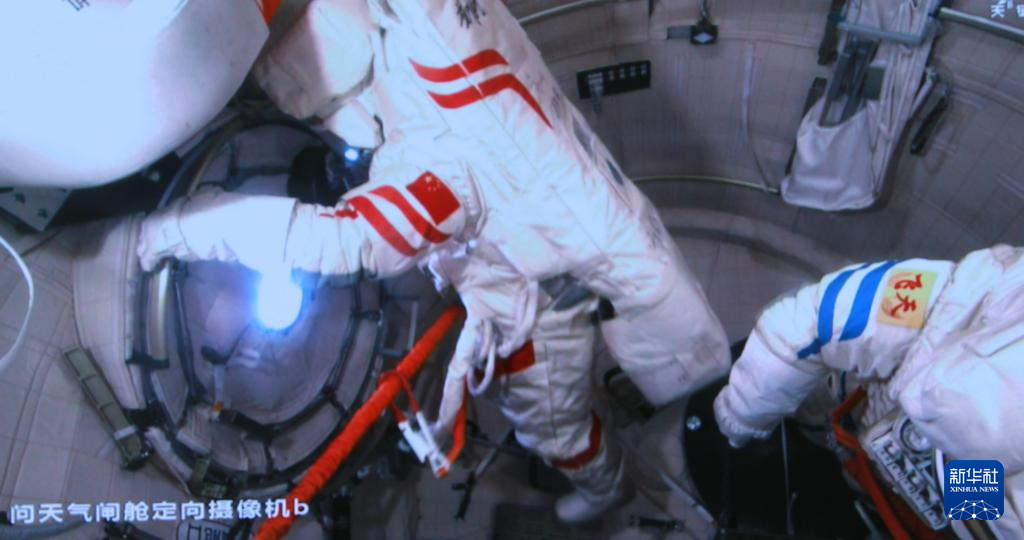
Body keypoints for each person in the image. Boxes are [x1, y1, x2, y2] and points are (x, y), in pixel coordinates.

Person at [138, 0, 731, 523]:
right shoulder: (432, 41)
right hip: (532, 258)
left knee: (552, 427)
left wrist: (176, 230)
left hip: (531, 310)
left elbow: (339, 241)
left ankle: (607, 486)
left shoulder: (441, 170)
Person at [714, 245, 1024, 539]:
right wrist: (740, 418)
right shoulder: (979, 299)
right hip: (866, 419)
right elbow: (809, 324)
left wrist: (739, 422)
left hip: (913, 501)